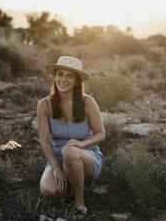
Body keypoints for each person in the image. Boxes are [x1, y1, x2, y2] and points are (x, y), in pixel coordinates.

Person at [37, 56, 105, 219]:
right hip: (58, 157)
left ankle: (79, 202)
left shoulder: (88, 102)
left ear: (76, 81)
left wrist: (81, 145)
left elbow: (101, 134)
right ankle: (72, 184)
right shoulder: (44, 105)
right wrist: (56, 168)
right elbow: (45, 141)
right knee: (50, 191)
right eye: (60, 74)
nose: (63, 80)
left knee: (70, 150)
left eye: (70, 76)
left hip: (86, 155)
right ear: (55, 76)